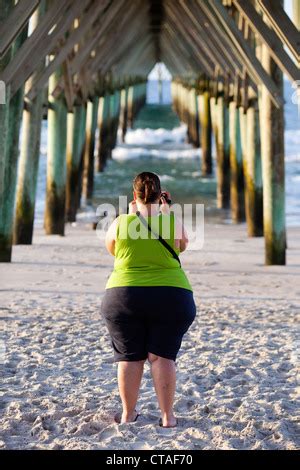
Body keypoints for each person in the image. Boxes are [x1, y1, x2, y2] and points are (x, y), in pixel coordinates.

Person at [100, 171, 196, 428]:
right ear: (161, 195)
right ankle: (167, 417)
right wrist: (165, 213)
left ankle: (128, 414)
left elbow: (113, 250)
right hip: (172, 295)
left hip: (123, 295)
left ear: (134, 195)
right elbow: (182, 245)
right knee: (163, 357)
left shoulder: (121, 222)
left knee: (130, 357)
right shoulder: (171, 220)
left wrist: (133, 216)